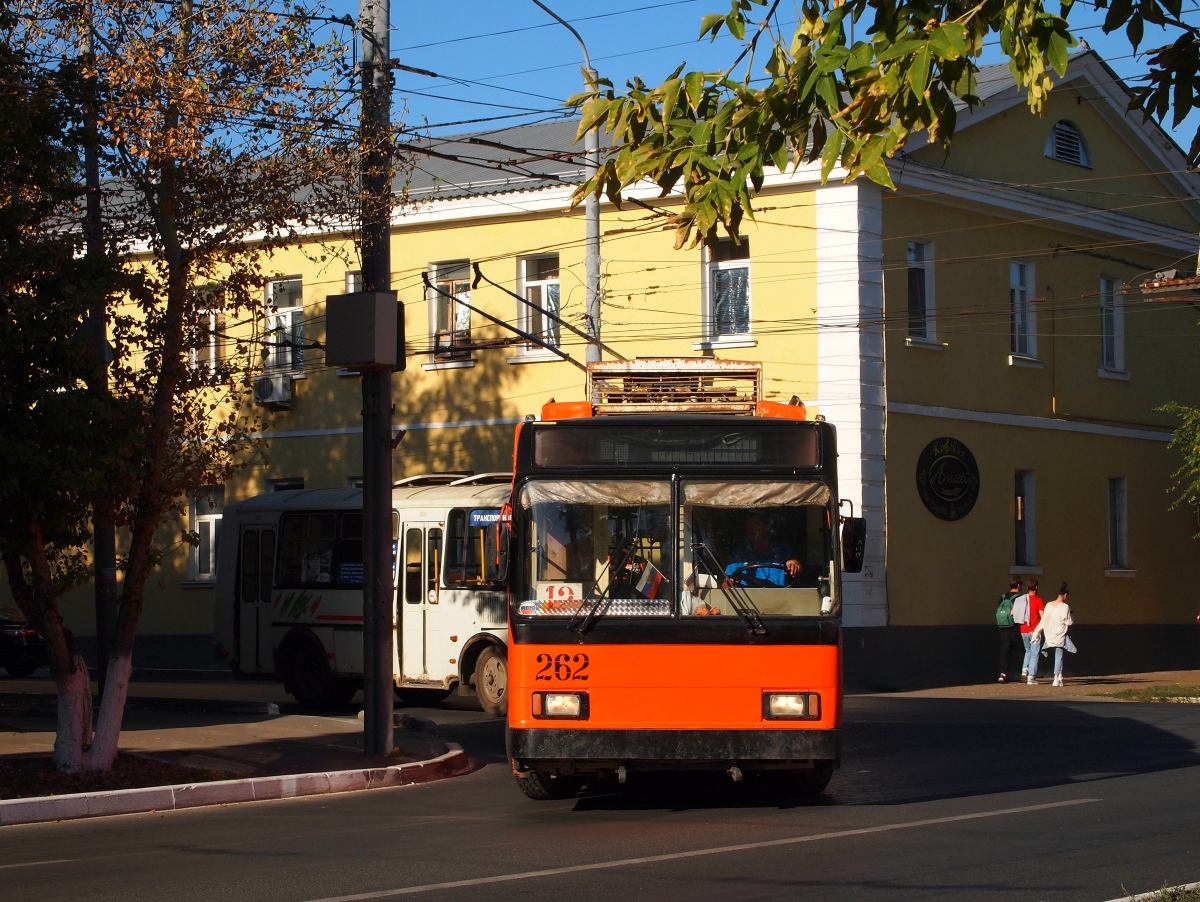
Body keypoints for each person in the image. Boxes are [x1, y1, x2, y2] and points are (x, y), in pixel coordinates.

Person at [723, 512, 802, 588]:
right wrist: (729, 583)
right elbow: (725, 584)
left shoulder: (782, 549)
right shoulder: (739, 554)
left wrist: (794, 565)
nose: (751, 528)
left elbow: (795, 564)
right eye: (748, 525)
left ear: (768, 527)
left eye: (755, 524)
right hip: (746, 600)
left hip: (779, 599)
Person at [1030, 582, 1074, 687]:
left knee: (1059, 656)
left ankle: (1060, 677)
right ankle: (1056, 678)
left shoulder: (1049, 605)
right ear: (1065, 595)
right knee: (1059, 656)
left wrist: (1036, 634)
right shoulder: (1065, 607)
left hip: (1049, 634)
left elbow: (1043, 620)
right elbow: (1068, 622)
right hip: (1060, 634)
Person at [1013, 578, 1046, 684]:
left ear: (1027, 588)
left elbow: (1013, 612)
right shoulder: (1039, 600)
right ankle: (1031, 677)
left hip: (1023, 629)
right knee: (1035, 653)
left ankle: (1024, 670)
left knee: (1028, 650)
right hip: (1034, 630)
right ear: (1036, 587)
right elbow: (1042, 617)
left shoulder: (1021, 600)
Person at [996, 576, 1023, 683]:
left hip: (1003, 628)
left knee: (1004, 652)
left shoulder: (1002, 597)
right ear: (1018, 585)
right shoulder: (1020, 598)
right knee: (1021, 651)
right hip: (1016, 628)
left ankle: (1002, 674)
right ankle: (1024, 672)